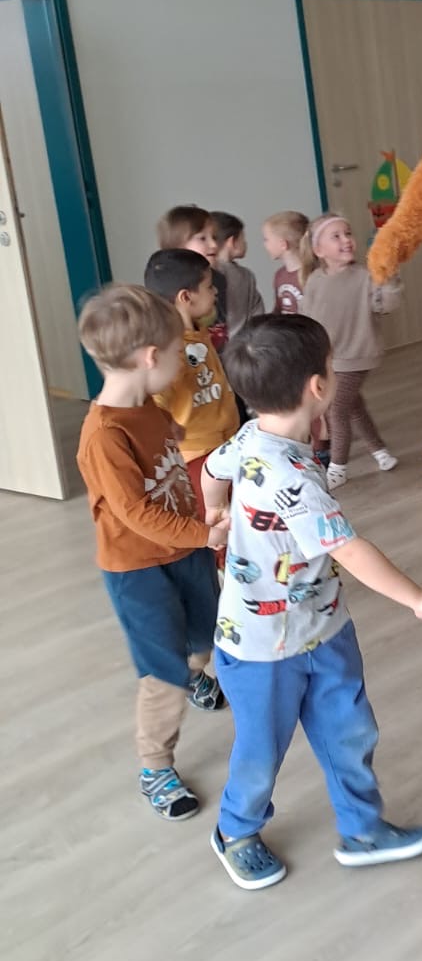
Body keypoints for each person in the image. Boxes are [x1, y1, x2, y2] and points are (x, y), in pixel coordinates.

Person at [200, 313, 422, 890]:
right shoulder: (294, 478)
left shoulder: (251, 435)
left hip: (323, 625)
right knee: (261, 749)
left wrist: (214, 510)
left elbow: (211, 468)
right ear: (318, 386)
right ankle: (235, 831)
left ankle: (363, 828)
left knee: (348, 731)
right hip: (260, 646)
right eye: (332, 364)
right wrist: (419, 600)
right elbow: (349, 550)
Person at [76, 285, 230, 822]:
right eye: (176, 352)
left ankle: (198, 674)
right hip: (138, 570)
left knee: (206, 631)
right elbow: (136, 514)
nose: (181, 362)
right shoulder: (103, 435)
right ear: (149, 358)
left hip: (183, 547)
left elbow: (173, 442)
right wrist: (205, 535)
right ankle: (155, 766)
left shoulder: (148, 407)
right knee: (163, 670)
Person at [299, 213, 402, 488]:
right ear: (319, 250)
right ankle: (380, 451)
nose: (346, 240)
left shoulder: (365, 277)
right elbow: (308, 317)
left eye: (348, 233)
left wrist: (390, 279)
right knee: (354, 406)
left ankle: (338, 468)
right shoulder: (314, 280)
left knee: (337, 410)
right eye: (336, 236)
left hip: (356, 356)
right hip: (329, 358)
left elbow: (386, 305)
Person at [144, 249, 239, 514]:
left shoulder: (199, 331)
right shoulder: (170, 349)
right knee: (215, 521)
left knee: (236, 517)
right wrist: (168, 428)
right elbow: (156, 400)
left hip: (224, 446)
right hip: (197, 456)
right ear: (185, 297)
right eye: (209, 286)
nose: (215, 292)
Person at [157, 204, 228, 351]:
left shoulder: (220, 279)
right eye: (202, 238)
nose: (214, 244)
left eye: (214, 237)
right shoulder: (162, 284)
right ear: (177, 245)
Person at [210, 211, 265, 338]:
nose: (245, 243)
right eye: (243, 238)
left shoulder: (203, 272)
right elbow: (258, 313)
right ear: (232, 242)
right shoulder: (245, 275)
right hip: (243, 341)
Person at [262, 210, 308, 315]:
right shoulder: (279, 275)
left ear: (283, 244)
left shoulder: (312, 274)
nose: (264, 244)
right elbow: (278, 311)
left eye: (266, 239)